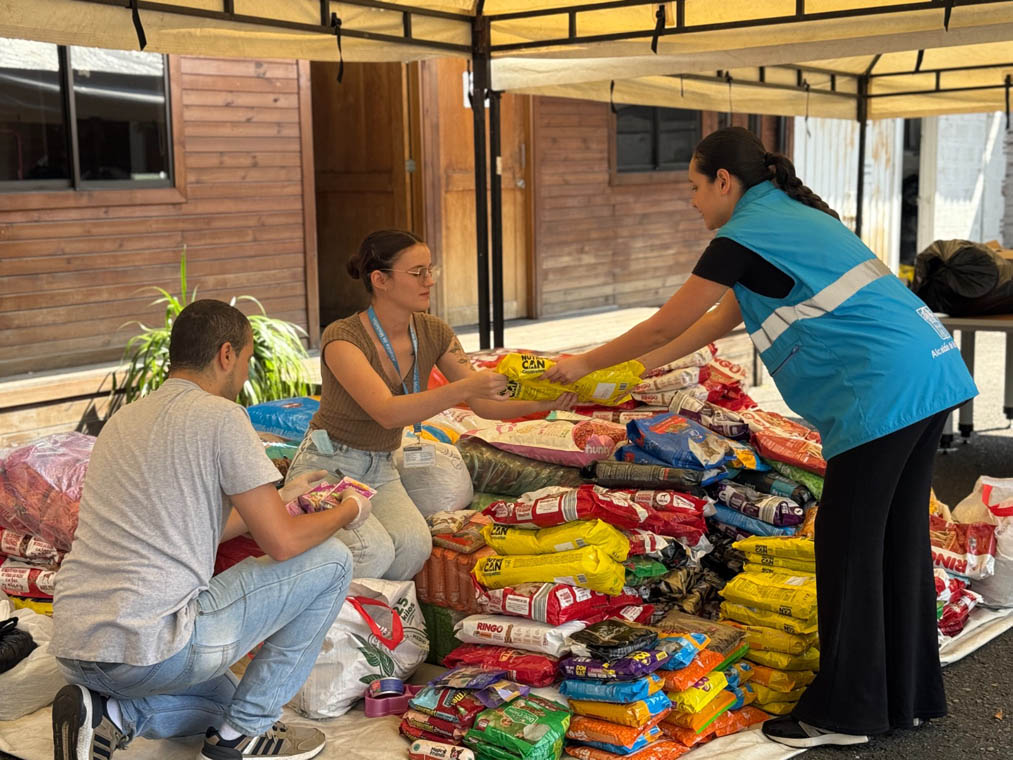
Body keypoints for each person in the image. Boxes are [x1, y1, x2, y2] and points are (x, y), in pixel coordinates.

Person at [543, 127, 977, 748]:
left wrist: (580, 364)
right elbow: (719, 321)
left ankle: (848, 713)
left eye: (694, 187)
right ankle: (909, 697)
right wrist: (631, 372)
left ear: (725, 182)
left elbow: (671, 317)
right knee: (895, 541)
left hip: (882, 390)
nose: (692, 201)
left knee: (849, 546)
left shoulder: (744, 233)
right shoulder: (789, 217)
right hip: (929, 371)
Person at [50, 299, 372, 760]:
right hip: (152, 647)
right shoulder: (222, 416)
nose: (243, 375)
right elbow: (281, 542)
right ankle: (244, 735)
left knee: (225, 700)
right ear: (226, 354)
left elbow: (186, 528)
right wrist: (347, 511)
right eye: (245, 361)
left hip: (78, 644)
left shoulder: (122, 422)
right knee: (335, 560)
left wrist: (280, 499)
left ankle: (110, 717)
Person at [285, 229, 576, 580]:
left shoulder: (433, 331)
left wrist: (548, 400)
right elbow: (388, 411)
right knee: (372, 552)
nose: (430, 281)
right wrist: (465, 387)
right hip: (329, 463)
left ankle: (378, 628)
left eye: (430, 270)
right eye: (417, 272)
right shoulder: (342, 337)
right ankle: (333, 631)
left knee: (413, 546)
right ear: (380, 280)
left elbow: (483, 404)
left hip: (380, 465)